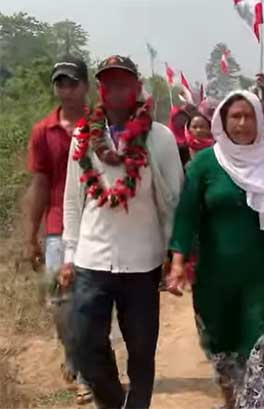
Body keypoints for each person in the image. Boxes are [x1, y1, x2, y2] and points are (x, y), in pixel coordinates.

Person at [59, 55, 183, 409]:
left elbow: (175, 198)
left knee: (141, 352)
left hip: (142, 262)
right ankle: (113, 403)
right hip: (91, 260)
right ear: (100, 89)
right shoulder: (83, 135)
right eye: (109, 83)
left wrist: (175, 256)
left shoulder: (158, 138)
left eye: (123, 83)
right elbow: (72, 200)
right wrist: (69, 254)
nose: (115, 90)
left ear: (137, 87)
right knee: (86, 345)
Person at [167, 90, 264, 409]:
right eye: (235, 116)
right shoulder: (205, 165)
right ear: (222, 122)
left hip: (261, 281)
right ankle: (231, 401)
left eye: (249, 116)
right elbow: (186, 216)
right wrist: (178, 262)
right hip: (214, 281)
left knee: (259, 361)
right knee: (224, 357)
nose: (242, 123)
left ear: (260, 120)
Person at [24, 56, 93, 406]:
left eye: (72, 83)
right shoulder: (43, 131)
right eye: (60, 83)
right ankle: (73, 358)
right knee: (61, 305)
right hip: (56, 228)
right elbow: (39, 184)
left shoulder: (101, 125)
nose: (66, 90)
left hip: (96, 227)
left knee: (89, 304)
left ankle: (86, 375)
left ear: (86, 86)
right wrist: (30, 236)